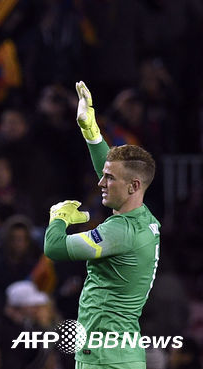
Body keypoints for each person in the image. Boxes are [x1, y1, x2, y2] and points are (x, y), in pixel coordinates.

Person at [44, 81, 161, 369]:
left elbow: (54, 248)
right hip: (119, 353)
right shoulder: (144, 217)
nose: (100, 183)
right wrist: (91, 130)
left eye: (109, 179)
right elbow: (113, 173)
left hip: (104, 359)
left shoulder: (119, 232)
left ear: (134, 186)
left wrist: (58, 218)